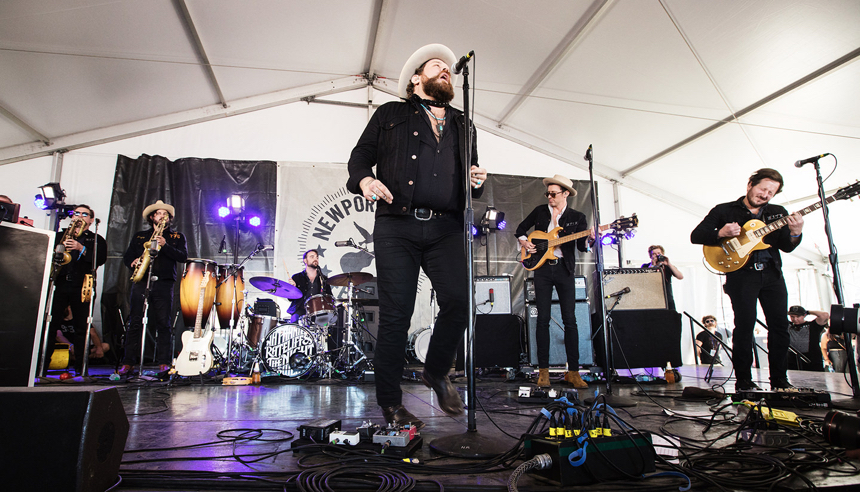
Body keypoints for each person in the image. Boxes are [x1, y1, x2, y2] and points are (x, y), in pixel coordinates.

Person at [346, 43, 488, 429]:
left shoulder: (464, 123)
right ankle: (391, 405)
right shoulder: (390, 113)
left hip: (445, 227)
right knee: (397, 315)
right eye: (437, 67)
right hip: (398, 225)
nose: (446, 71)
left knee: (459, 301)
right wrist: (366, 179)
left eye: (448, 69)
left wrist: (476, 179)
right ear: (416, 78)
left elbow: (470, 174)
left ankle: (436, 371)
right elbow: (359, 157)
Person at [691, 168, 804, 391]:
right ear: (750, 184)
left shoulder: (777, 212)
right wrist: (720, 232)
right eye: (763, 188)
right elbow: (696, 235)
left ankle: (780, 381)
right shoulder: (724, 210)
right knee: (744, 326)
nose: (765, 195)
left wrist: (795, 233)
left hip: (772, 274)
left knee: (780, 327)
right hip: (742, 275)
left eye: (771, 192)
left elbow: (786, 246)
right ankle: (744, 381)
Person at [515, 174, 594, 389]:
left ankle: (574, 372)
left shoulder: (577, 217)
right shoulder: (540, 212)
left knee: (570, 319)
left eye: (553, 193)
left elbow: (580, 247)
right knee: (542, 319)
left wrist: (589, 240)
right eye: (547, 193)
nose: (549, 197)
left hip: (564, 270)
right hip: (541, 270)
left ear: (565, 193)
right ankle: (543, 371)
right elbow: (520, 229)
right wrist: (525, 243)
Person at [120, 200, 187, 375]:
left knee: (164, 323)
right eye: (159, 213)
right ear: (152, 217)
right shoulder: (140, 236)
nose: (162, 216)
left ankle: (164, 362)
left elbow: (182, 257)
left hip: (164, 283)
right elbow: (127, 257)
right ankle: (128, 362)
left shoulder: (177, 237)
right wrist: (133, 262)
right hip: (141, 282)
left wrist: (165, 245)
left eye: (165, 214)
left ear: (169, 218)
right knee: (135, 321)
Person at [45, 204, 107, 375]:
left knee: (82, 327)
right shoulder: (59, 235)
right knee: (51, 325)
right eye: (76, 213)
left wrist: (81, 248)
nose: (79, 216)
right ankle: (41, 367)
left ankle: (80, 369)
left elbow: (100, 259)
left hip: (83, 285)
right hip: (60, 282)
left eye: (84, 214)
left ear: (91, 219)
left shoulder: (96, 239)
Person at [287, 249, 333, 323]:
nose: (315, 259)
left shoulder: (324, 279)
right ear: (305, 260)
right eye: (312, 257)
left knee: (327, 323)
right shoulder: (297, 277)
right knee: (294, 320)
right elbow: (290, 298)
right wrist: (292, 288)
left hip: (318, 311)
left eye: (317, 257)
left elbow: (329, 297)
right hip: (301, 309)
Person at [641, 245, 683, 311]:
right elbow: (644, 279)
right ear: (650, 256)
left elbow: (680, 276)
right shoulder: (646, 266)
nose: (657, 255)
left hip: (667, 299)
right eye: (654, 254)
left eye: (658, 253)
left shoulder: (667, 266)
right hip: (652, 300)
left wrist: (669, 264)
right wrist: (653, 266)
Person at [787, 305, 828, 372]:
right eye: (792, 317)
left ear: (804, 316)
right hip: (793, 360)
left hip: (812, 360)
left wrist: (808, 312)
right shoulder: (788, 326)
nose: (795, 319)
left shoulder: (812, 325)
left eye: (798, 316)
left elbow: (825, 315)